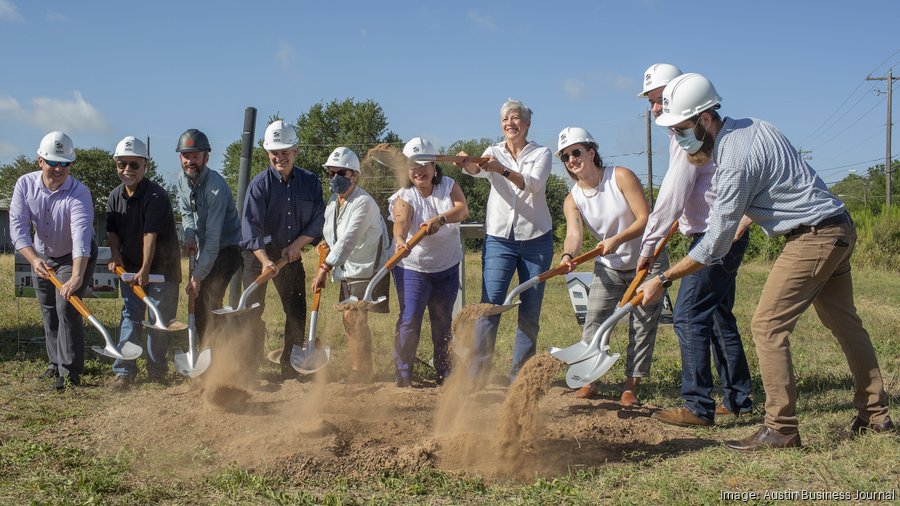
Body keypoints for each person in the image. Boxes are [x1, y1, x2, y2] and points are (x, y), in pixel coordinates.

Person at [642, 73, 894, 449]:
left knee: (767, 326)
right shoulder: (755, 126)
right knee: (846, 325)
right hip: (837, 226)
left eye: (681, 129)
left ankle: (781, 428)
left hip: (812, 236)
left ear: (705, 119)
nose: (679, 139)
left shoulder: (733, 159)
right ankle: (876, 416)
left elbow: (715, 244)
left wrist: (663, 279)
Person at [637, 64, 754, 424]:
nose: (656, 109)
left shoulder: (684, 138)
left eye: (659, 100)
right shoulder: (687, 135)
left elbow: (672, 197)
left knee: (688, 316)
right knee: (719, 318)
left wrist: (646, 248)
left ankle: (697, 406)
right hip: (717, 232)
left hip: (714, 237)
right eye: (652, 103)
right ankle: (738, 401)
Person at [556, 127, 665, 406]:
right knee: (594, 321)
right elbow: (574, 234)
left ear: (591, 152)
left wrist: (617, 238)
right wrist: (569, 254)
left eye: (576, 152)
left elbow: (644, 218)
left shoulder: (620, 176)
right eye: (566, 156)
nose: (572, 159)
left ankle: (631, 385)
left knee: (641, 324)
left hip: (645, 260)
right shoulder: (573, 198)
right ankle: (590, 379)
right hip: (609, 265)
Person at [457, 99, 553, 382]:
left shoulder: (541, 153)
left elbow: (532, 184)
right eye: (505, 120)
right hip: (500, 239)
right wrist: (468, 163)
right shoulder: (493, 151)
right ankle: (477, 375)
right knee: (489, 306)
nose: (510, 123)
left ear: (527, 123)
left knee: (530, 310)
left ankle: (519, 378)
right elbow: (476, 171)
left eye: (515, 118)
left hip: (536, 240)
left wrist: (501, 169)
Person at [9, 131, 98, 391]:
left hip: (74, 256)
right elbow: (17, 227)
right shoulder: (24, 185)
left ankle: (69, 372)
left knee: (66, 306)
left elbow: (81, 235)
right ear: (40, 161)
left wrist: (77, 275)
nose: (59, 169)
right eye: (53, 162)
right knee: (48, 308)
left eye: (65, 164)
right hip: (41, 254)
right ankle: (54, 363)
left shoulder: (80, 193)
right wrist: (34, 259)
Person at [240, 120, 325, 380]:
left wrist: (297, 246)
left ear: (295, 151)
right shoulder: (259, 185)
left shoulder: (310, 183)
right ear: (268, 153)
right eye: (275, 152)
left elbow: (318, 220)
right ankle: (249, 370)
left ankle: (291, 367)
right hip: (258, 257)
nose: (280, 156)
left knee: (296, 311)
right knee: (252, 312)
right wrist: (266, 261)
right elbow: (250, 227)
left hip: (291, 255)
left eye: (285, 151)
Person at [388, 137, 469, 387]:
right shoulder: (404, 195)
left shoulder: (448, 185)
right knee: (410, 318)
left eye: (424, 165)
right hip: (413, 267)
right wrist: (401, 239)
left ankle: (444, 370)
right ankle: (403, 372)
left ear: (434, 166)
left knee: (442, 319)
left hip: (446, 265)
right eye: (413, 165)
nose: (419, 170)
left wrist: (441, 219)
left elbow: (462, 209)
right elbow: (401, 221)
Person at [106, 136, 182, 390]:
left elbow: (151, 234)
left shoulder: (156, 196)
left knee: (158, 320)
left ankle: (157, 370)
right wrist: (116, 257)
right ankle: (125, 371)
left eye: (134, 165)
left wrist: (146, 270)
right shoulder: (114, 196)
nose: (127, 170)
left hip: (162, 270)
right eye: (122, 164)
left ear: (145, 165)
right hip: (131, 269)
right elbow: (113, 232)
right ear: (116, 165)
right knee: (130, 316)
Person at [311, 147, 391, 384]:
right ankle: (362, 369)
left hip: (366, 268)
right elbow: (336, 233)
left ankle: (360, 371)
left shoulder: (363, 202)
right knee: (351, 320)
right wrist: (326, 243)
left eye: (341, 173)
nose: (335, 178)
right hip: (347, 269)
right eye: (330, 173)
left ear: (354, 175)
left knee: (352, 317)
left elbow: (349, 239)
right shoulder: (334, 203)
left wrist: (324, 267)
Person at [175, 128, 242, 345]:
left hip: (228, 248)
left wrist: (196, 277)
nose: (190, 161)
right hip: (206, 248)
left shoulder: (216, 188)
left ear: (206, 157)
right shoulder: (181, 181)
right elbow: (186, 214)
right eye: (186, 156)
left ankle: (219, 355)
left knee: (208, 296)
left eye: (195, 156)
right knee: (202, 298)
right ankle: (205, 352)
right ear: (180, 157)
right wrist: (188, 235)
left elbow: (214, 241)